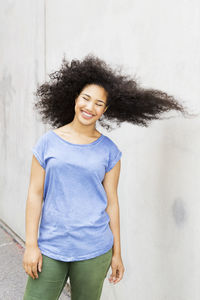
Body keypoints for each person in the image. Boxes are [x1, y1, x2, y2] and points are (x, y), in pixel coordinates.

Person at [23, 53, 189, 300]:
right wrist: (31, 245)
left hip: (94, 248)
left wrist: (117, 253)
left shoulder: (109, 151)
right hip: (50, 247)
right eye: (86, 99)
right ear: (75, 98)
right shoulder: (48, 143)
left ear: (106, 110)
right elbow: (35, 195)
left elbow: (112, 202)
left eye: (98, 103)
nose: (90, 107)